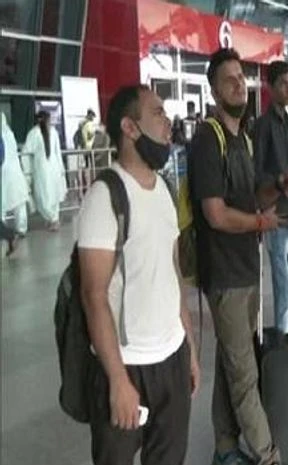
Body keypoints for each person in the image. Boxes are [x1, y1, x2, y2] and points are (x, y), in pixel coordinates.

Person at [77, 84, 199, 465]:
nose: (168, 123)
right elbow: (93, 295)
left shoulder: (164, 189)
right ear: (130, 128)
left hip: (172, 358)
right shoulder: (105, 196)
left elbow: (172, 272)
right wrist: (117, 380)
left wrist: (189, 348)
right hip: (126, 365)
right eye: (158, 113)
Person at [189, 48, 284, 465]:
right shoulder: (207, 139)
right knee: (245, 372)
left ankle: (226, 446)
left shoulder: (242, 138)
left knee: (233, 359)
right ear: (213, 91)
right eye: (228, 80)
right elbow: (215, 213)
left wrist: (282, 185)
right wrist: (260, 223)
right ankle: (267, 455)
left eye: (241, 78)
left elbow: (251, 199)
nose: (238, 85)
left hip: (246, 270)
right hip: (225, 274)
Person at [254, 60, 288, 335]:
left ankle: (286, 331)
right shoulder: (263, 127)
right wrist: (279, 181)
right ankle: (284, 336)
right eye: (283, 84)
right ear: (270, 87)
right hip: (276, 215)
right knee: (283, 283)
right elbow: (258, 172)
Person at [23, 110, 67, 231]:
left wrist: (28, 172)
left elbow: (26, 153)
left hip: (41, 170)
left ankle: (53, 219)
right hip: (55, 169)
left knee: (42, 196)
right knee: (53, 195)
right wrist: (61, 169)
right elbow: (58, 152)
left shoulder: (33, 133)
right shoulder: (54, 132)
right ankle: (53, 218)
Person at [1, 111, 28, 238]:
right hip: (16, 172)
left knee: (2, 204)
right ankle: (21, 228)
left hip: (3, 173)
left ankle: (2, 230)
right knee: (19, 203)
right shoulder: (9, 133)